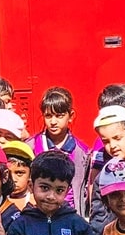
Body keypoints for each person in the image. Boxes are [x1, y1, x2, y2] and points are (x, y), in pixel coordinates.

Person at [30, 86, 89, 215]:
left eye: (59, 116)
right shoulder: (32, 146)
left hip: (70, 215)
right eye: (48, 116)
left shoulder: (82, 152)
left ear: (71, 116)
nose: (53, 122)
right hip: (38, 214)